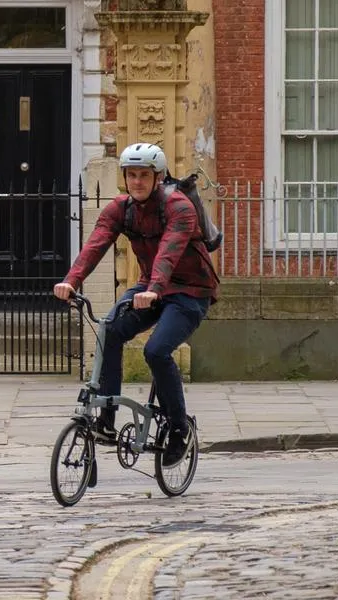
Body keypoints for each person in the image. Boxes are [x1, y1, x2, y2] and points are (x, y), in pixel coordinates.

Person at [53, 143, 219, 467]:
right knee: (110, 330)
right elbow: (96, 244)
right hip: (150, 287)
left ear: (158, 178)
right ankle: (107, 416)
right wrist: (71, 281)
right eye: (131, 175)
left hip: (190, 291)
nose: (137, 182)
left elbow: (168, 253)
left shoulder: (179, 207)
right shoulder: (120, 209)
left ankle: (179, 428)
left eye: (144, 175)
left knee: (156, 351)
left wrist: (155, 289)